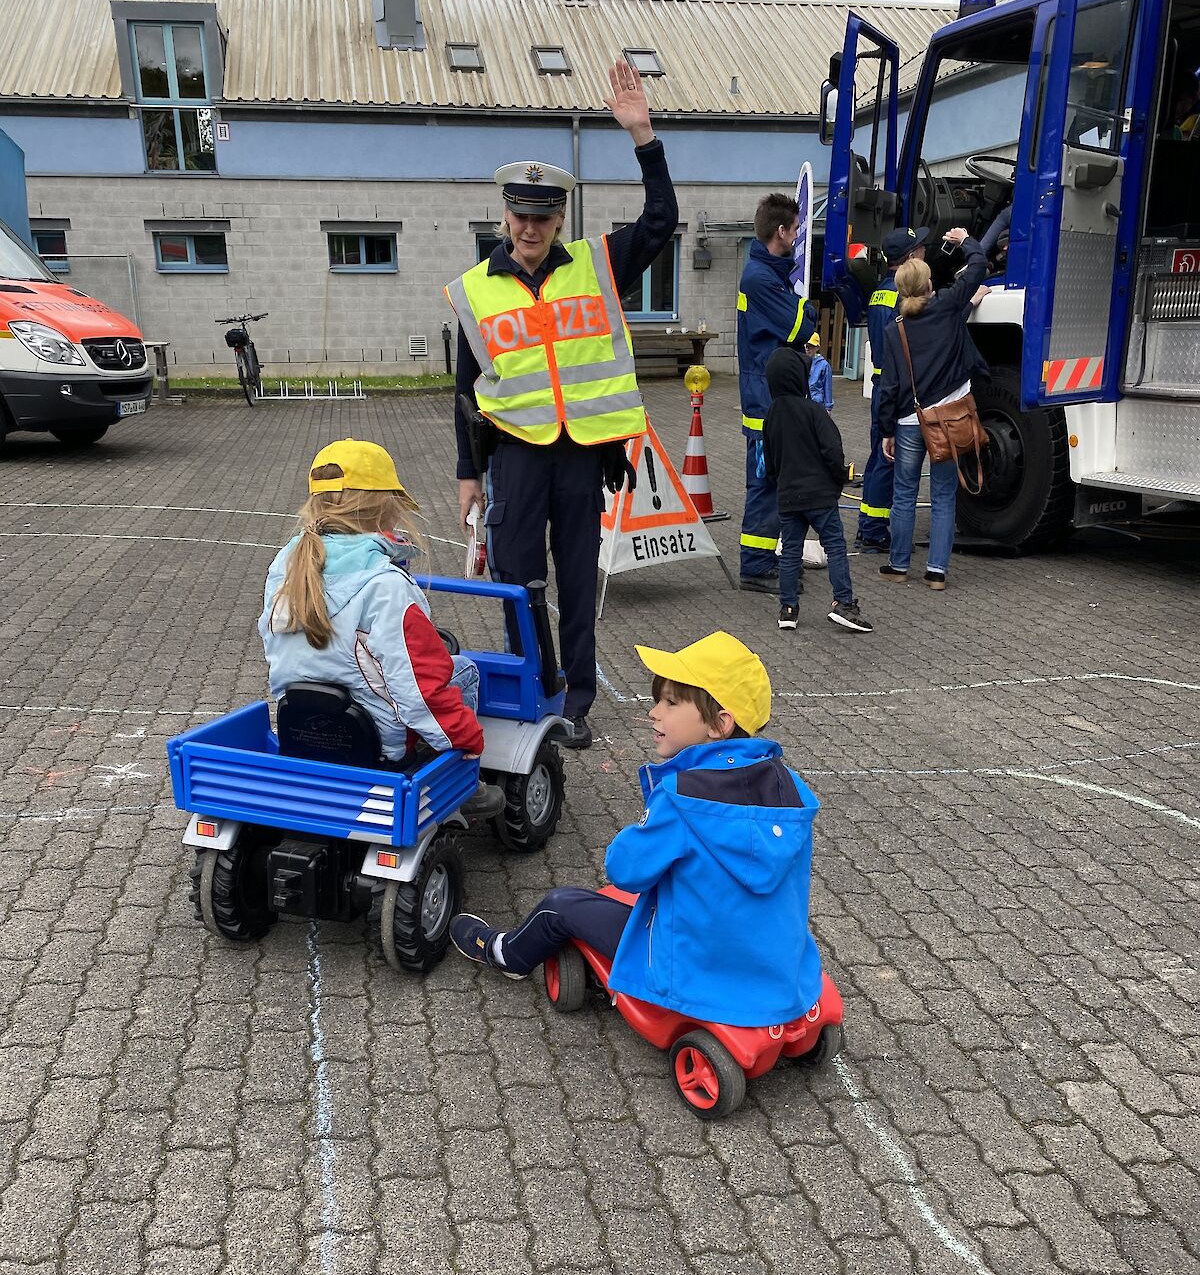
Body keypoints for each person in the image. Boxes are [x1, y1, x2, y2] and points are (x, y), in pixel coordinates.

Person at [446, 60, 678, 754]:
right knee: (518, 582)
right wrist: (467, 474)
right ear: (504, 214)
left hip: (581, 455)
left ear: (560, 218)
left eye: (543, 217)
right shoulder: (472, 291)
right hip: (514, 454)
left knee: (577, 583)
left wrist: (642, 135)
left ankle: (576, 697)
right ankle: (532, 684)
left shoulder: (598, 263)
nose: (530, 228)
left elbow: (662, 220)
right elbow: (464, 390)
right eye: (521, 215)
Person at [448, 631, 824, 1029]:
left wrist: (634, 834)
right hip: (769, 963)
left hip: (690, 964)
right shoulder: (793, 791)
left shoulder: (682, 797)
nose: (654, 712)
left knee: (561, 904)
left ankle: (504, 953)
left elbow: (625, 873)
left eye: (670, 703)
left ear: (719, 725)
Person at [259, 438, 503, 816]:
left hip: (302, 728)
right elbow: (419, 690)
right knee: (464, 669)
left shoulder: (285, 566)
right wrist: (465, 737)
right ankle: (460, 779)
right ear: (386, 511)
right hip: (380, 743)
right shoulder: (387, 586)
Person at [876, 227, 988, 591]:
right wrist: (964, 239)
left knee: (905, 493)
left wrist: (887, 430)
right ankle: (937, 572)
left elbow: (889, 387)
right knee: (942, 494)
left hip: (909, 421)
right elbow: (978, 264)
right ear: (927, 286)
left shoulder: (896, 330)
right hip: (948, 419)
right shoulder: (947, 307)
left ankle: (897, 565)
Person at [737, 193, 818, 592]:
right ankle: (754, 566)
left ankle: (763, 558)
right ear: (780, 231)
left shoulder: (769, 273)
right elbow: (800, 325)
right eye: (796, 229)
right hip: (763, 403)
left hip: (771, 398)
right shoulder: (759, 278)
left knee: (774, 482)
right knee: (765, 484)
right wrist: (808, 310)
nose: (799, 235)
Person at [763, 349, 871, 634]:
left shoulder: (771, 415)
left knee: (790, 552)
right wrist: (839, 479)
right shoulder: (813, 410)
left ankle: (788, 609)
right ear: (799, 377)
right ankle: (844, 604)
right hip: (820, 495)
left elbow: (770, 459)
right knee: (835, 546)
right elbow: (832, 450)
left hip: (788, 496)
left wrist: (779, 481)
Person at [857, 226, 927, 554]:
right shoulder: (901, 297)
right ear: (910, 257)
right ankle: (874, 532)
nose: (925, 251)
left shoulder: (879, 292)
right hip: (894, 391)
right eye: (920, 248)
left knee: (878, 459)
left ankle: (869, 526)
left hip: (881, 386)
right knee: (888, 459)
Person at [805, 331, 834, 411]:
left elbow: (827, 387)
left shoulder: (824, 365)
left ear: (817, 347)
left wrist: (828, 407)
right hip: (803, 403)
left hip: (817, 405)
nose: (808, 348)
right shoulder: (801, 362)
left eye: (811, 346)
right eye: (806, 346)